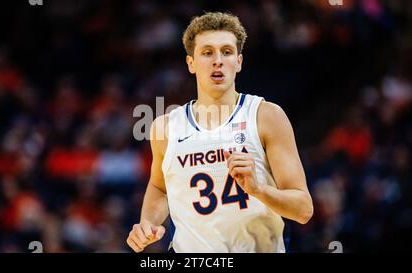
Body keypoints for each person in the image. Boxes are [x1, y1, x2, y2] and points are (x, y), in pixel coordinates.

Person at [127, 12, 313, 253]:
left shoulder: (266, 116)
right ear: (191, 64)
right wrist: (148, 224)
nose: (218, 61)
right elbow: (159, 188)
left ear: (239, 61)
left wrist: (259, 189)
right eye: (207, 53)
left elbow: (303, 209)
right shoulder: (165, 127)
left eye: (226, 52)